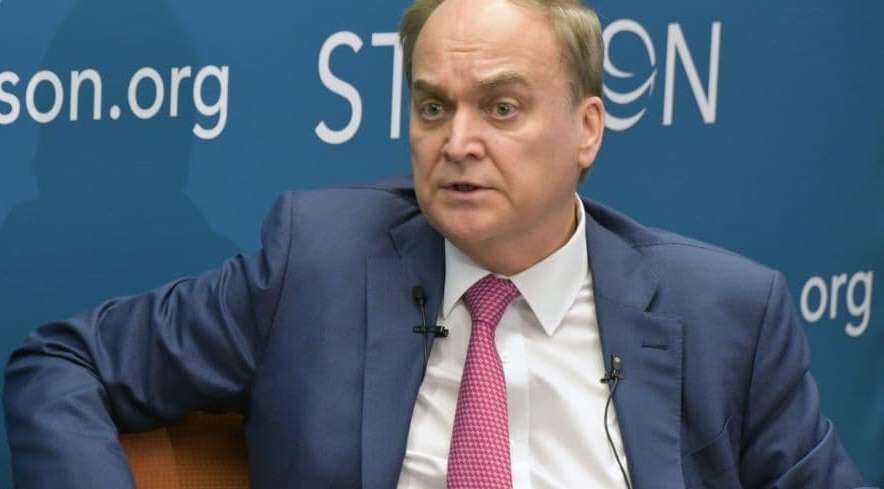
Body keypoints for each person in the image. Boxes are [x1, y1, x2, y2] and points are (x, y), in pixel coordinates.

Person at [3, 0, 872, 488]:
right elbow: (62, 363)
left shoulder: (725, 315)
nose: (457, 142)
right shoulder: (316, 261)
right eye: (431, 106)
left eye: (501, 107)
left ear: (587, 128)